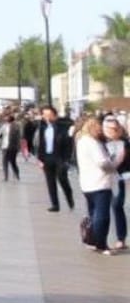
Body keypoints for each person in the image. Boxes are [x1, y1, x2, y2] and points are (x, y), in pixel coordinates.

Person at [75, 115, 118, 254]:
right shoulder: (92, 143)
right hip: (100, 182)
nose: (100, 129)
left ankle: (92, 239)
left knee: (94, 213)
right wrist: (113, 165)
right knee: (102, 216)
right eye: (98, 126)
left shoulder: (81, 141)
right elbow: (102, 162)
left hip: (87, 183)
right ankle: (100, 243)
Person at [33, 105, 75, 212]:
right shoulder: (42, 128)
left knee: (62, 179)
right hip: (47, 157)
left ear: (55, 115)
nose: (47, 117)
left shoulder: (62, 127)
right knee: (50, 182)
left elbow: (68, 144)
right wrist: (40, 159)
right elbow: (41, 145)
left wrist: (67, 159)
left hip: (59, 157)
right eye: (45, 115)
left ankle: (69, 198)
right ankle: (55, 205)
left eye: (50, 115)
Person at [105, 115, 128, 250]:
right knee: (102, 209)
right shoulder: (101, 143)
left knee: (117, 206)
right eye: (110, 128)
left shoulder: (125, 143)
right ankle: (100, 237)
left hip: (119, 178)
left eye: (115, 128)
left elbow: (127, 163)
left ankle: (121, 238)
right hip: (102, 179)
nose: (113, 131)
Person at [0, 113, 22, 182]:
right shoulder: (5, 126)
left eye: (7, 118)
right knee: (6, 162)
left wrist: (18, 147)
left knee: (12, 161)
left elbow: (18, 137)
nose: (6, 119)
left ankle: (15, 174)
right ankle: (7, 176)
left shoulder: (15, 126)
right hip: (6, 146)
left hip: (11, 147)